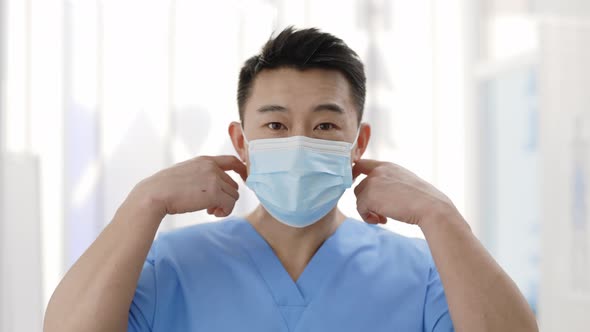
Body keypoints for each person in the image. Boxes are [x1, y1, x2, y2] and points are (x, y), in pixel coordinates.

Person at [44, 27, 538, 332]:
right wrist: (143, 203)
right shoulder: (167, 267)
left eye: (325, 125)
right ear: (241, 142)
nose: (299, 141)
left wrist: (440, 215)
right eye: (276, 125)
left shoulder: (426, 273)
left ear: (358, 142)